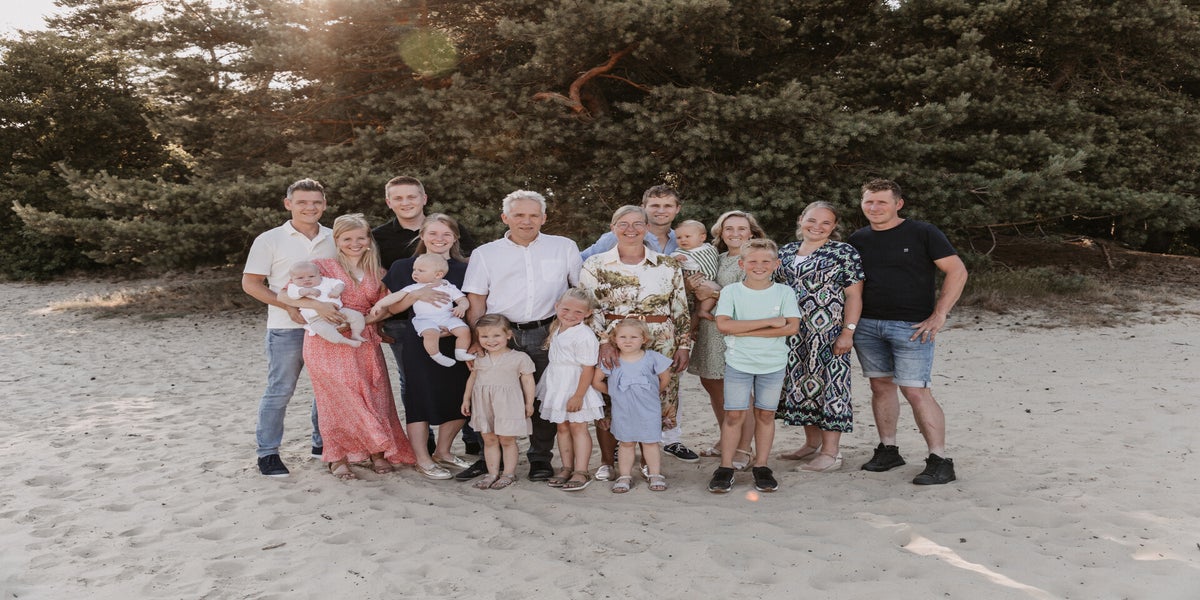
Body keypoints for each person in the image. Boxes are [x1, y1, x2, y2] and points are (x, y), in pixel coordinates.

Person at [276, 213, 416, 480]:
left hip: (364, 340)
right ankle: (337, 457)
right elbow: (285, 294)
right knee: (337, 399)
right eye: (347, 239)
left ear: (369, 240)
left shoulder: (379, 272)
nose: (354, 243)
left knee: (374, 395)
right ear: (337, 240)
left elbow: (388, 306)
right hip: (325, 342)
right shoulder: (322, 266)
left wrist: (368, 319)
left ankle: (377, 452)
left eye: (360, 238)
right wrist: (318, 306)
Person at [849, 179, 968, 485]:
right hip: (867, 326)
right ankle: (888, 450)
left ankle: (940, 459)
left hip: (912, 327)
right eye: (869, 202)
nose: (874, 207)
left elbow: (957, 270)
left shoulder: (922, 232)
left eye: (882, 202)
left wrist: (939, 314)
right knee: (880, 387)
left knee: (915, 391)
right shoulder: (858, 239)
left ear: (898, 204)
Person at [461, 190, 583, 482]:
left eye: (533, 215)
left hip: (548, 331)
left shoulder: (564, 247)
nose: (526, 221)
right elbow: (476, 299)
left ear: (544, 218)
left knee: (543, 397)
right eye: (519, 215)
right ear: (505, 218)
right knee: (494, 394)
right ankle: (492, 459)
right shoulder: (485, 253)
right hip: (501, 334)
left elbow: (579, 290)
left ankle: (540, 458)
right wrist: (477, 339)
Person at [580, 205, 695, 481]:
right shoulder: (595, 264)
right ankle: (607, 461)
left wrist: (683, 345)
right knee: (611, 397)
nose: (630, 229)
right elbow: (590, 308)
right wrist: (604, 342)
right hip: (614, 340)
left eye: (637, 224)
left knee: (654, 398)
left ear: (647, 228)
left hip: (660, 341)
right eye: (623, 224)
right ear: (612, 228)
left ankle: (647, 460)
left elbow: (680, 307)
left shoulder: (667, 265)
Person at [373, 176, 480, 454]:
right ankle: (422, 456)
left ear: (455, 237)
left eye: (446, 234)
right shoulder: (404, 267)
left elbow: (475, 306)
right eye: (432, 234)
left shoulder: (467, 269)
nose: (439, 239)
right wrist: (415, 295)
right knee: (418, 397)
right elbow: (391, 308)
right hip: (419, 338)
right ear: (422, 236)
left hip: (457, 339)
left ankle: (443, 452)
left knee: (457, 395)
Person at [241, 178, 335, 477]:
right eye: (302, 202)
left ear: (324, 204)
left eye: (316, 202)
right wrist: (289, 307)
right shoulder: (269, 239)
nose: (310, 207)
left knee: (327, 388)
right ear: (288, 204)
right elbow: (251, 284)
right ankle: (268, 453)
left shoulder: (334, 237)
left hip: (325, 326)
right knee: (280, 390)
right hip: (285, 328)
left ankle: (322, 444)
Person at [775, 202, 865, 472]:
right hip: (792, 334)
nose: (817, 227)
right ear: (801, 219)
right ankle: (811, 444)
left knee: (830, 387)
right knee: (802, 385)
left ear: (834, 226)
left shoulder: (843, 253)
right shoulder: (785, 251)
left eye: (826, 222)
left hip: (828, 333)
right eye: (812, 220)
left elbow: (854, 295)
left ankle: (831, 453)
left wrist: (848, 332)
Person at [707, 238, 801, 494]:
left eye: (765, 261)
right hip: (739, 362)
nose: (759, 266)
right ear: (742, 264)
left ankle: (762, 465)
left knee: (765, 414)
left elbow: (791, 327)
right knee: (734, 415)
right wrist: (770, 322)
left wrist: (743, 330)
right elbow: (724, 325)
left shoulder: (784, 292)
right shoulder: (732, 292)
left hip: (773, 364)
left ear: (776, 264)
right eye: (753, 261)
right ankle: (725, 467)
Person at [687, 210, 765, 469]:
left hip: (735, 331)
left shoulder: (754, 259)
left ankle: (743, 448)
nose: (735, 233)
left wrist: (715, 293)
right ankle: (726, 439)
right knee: (712, 384)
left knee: (738, 393)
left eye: (741, 228)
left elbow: (754, 297)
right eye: (729, 228)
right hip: (710, 331)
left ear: (751, 233)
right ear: (720, 233)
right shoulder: (716, 258)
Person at [591, 319, 673, 493]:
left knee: (650, 442)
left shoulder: (652, 357)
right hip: (623, 410)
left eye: (634, 337)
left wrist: (652, 392)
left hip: (648, 409)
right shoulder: (612, 360)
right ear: (615, 339)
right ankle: (625, 476)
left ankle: (655, 474)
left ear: (644, 339)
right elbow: (596, 381)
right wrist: (613, 392)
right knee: (626, 443)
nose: (628, 341)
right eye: (623, 337)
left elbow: (665, 378)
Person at [537, 288, 605, 492]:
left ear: (588, 313)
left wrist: (578, 396)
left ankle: (581, 470)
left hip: (576, 385)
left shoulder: (584, 335)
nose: (570, 315)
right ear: (557, 306)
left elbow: (588, 368)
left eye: (578, 312)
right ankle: (567, 467)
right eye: (565, 309)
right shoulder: (557, 327)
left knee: (578, 427)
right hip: (557, 383)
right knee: (562, 427)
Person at [460, 315, 536, 490]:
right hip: (483, 404)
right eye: (485, 336)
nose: (491, 340)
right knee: (489, 439)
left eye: (496, 335)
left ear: (508, 335)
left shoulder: (519, 357)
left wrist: (529, 403)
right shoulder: (478, 357)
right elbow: (472, 378)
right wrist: (466, 399)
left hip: (508, 405)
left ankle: (508, 473)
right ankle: (492, 473)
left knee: (507, 439)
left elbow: (528, 381)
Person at [371, 253, 474, 367]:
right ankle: (436, 355)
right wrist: (379, 304)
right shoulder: (415, 287)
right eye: (414, 269)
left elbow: (462, 299)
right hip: (425, 319)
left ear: (438, 274)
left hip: (447, 317)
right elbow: (395, 296)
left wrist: (461, 307)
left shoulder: (447, 286)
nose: (415, 273)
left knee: (464, 330)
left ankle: (460, 352)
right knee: (430, 333)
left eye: (421, 270)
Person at [579, 184, 682, 259]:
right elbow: (581, 261)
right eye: (655, 206)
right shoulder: (619, 236)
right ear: (643, 208)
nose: (661, 211)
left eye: (668, 206)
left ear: (677, 209)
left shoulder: (682, 239)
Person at [287, 260, 367, 348]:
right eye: (300, 278)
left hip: (338, 311)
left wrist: (336, 291)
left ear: (320, 275)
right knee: (324, 331)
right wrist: (308, 291)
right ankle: (346, 341)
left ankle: (356, 334)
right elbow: (292, 295)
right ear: (292, 280)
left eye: (311, 276)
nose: (306, 279)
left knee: (357, 316)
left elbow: (339, 283)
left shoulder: (325, 281)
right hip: (316, 319)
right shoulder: (294, 287)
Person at [670, 219, 721, 325]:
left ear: (702, 237)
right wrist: (677, 258)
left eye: (687, 236)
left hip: (708, 278)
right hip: (697, 280)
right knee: (716, 289)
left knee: (698, 305)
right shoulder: (681, 252)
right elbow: (671, 258)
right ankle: (704, 310)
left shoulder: (708, 247)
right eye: (679, 238)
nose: (683, 240)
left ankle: (695, 323)